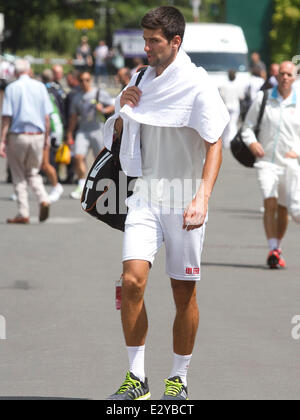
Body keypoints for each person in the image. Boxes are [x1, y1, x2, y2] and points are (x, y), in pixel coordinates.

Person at [104, 6, 229, 400]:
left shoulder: (197, 85)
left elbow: (215, 144)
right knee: (131, 281)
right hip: (145, 194)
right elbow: (119, 136)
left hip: (184, 197)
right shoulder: (139, 78)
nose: (145, 48)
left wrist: (203, 198)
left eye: (153, 41)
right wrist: (123, 110)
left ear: (176, 41)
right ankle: (136, 378)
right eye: (144, 39)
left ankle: (178, 377)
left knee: (183, 293)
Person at [241, 61, 300, 269]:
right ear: (277, 76)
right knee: (270, 201)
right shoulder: (263, 97)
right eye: (281, 74)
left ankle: (278, 247)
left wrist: (298, 150)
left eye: (289, 75)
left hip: (290, 165)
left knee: (284, 209)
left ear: (294, 77)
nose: (284, 77)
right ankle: (272, 247)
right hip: (266, 162)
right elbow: (247, 127)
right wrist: (253, 143)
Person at [0, 59, 53, 224]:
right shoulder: (40, 87)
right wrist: (47, 137)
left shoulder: (11, 88)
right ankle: (43, 198)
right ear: (29, 70)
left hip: (18, 135)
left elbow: (7, 117)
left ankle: (23, 211)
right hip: (37, 134)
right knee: (33, 172)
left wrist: (2, 140)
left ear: (15, 72)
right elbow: (46, 116)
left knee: (18, 174)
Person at [67, 71, 115, 199]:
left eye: (87, 80)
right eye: (82, 80)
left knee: (99, 159)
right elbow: (73, 117)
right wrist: (69, 134)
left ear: (90, 80)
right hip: (83, 130)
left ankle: (100, 186)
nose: (84, 83)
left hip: (97, 130)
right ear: (78, 81)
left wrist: (103, 109)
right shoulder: (76, 97)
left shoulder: (99, 93)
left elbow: (114, 105)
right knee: (78, 156)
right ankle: (82, 184)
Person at [41, 69, 64, 203]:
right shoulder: (57, 89)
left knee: (47, 160)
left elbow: (52, 113)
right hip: (56, 127)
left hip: (50, 128)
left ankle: (55, 185)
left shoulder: (45, 91)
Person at [219, 69, 244, 148]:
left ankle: (226, 142)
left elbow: (221, 95)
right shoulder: (238, 85)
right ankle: (232, 141)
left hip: (226, 106)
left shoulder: (223, 85)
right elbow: (241, 96)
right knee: (233, 124)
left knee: (226, 124)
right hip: (235, 106)